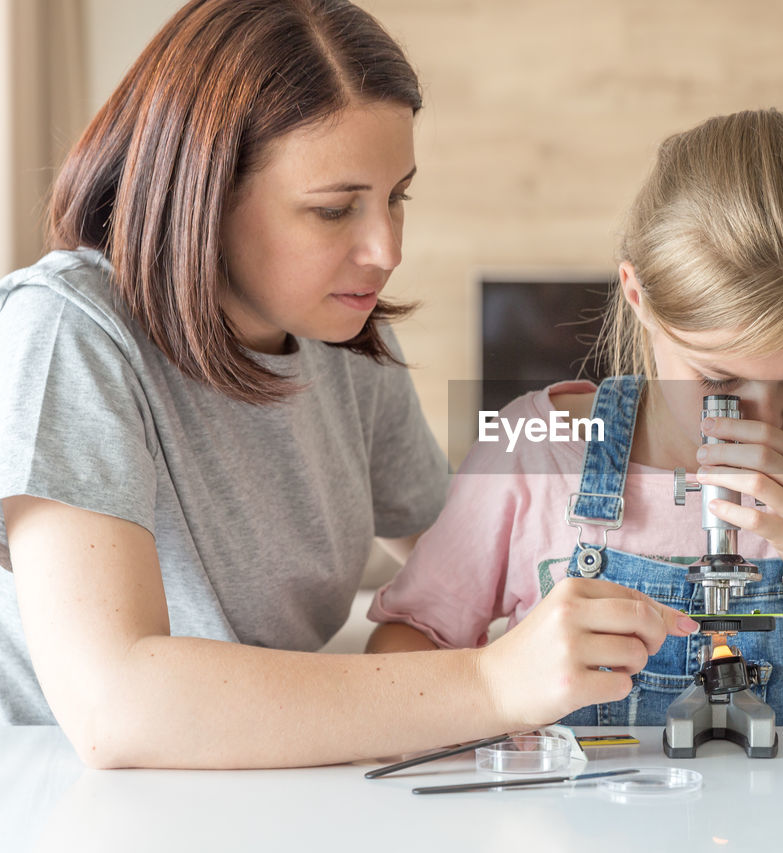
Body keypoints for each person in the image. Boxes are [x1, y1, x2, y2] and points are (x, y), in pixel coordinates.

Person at [0, 0, 693, 769]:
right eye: (334, 210)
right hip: (51, 793)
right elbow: (115, 704)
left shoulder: (344, 339)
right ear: (203, 197)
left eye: (397, 196)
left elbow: (460, 550)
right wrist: (490, 681)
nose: (387, 248)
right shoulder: (69, 331)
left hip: (253, 786)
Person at [368, 108, 783, 728]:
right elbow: (394, 663)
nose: (766, 422)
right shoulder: (533, 452)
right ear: (639, 299)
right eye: (718, 379)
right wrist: (499, 677)